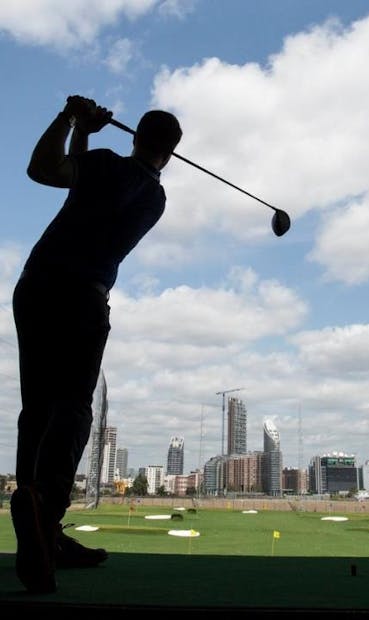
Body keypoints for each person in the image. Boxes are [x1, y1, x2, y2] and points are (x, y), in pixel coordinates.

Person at [10, 95, 182, 594]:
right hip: (83, 298)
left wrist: (73, 120)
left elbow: (47, 172)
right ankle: (45, 519)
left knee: (36, 410)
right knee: (72, 410)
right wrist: (84, 130)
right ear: (168, 153)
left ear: (134, 137)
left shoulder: (104, 166)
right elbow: (80, 185)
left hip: (37, 285)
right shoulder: (154, 197)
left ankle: (39, 518)